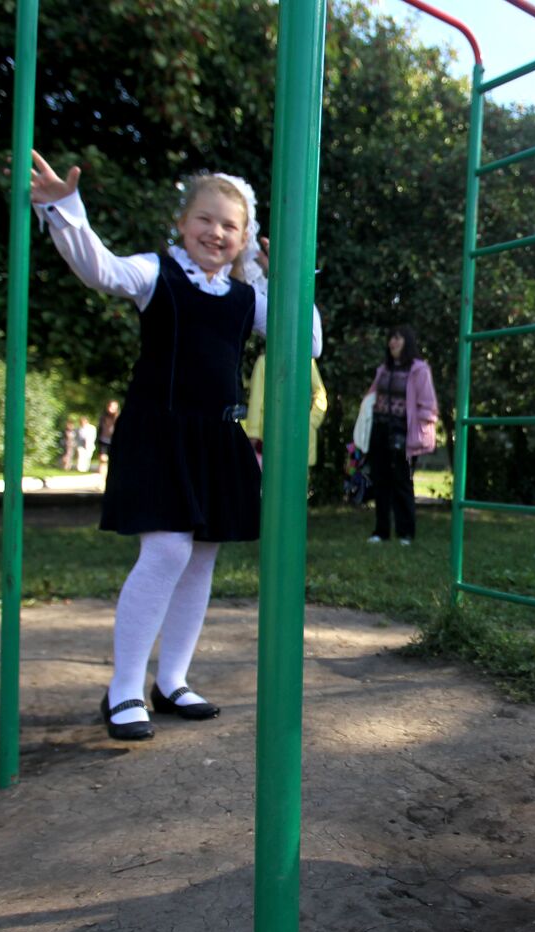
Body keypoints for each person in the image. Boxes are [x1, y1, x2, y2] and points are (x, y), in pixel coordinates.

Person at [30, 149, 322, 740]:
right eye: (205, 220)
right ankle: (123, 689)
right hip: (159, 432)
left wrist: (286, 274)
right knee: (166, 552)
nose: (216, 233)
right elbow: (100, 270)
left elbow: (309, 340)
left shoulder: (247, 299)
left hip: (215, 437)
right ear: (183, 223)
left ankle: (173, 681)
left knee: (200, 562)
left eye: (229, 226)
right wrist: (65, 207)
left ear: (245, 240)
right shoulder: (155, 272)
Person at [365, 327, 437, 545]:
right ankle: (381, 531)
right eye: (390, 339)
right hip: (380, 430)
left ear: (407, 342)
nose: (392, 343)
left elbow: (428, 404)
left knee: (402, 481)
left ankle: (406, 532)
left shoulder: (419, 370)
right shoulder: (383, 369)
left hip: (403, 433)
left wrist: (421, 430)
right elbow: (371, 397)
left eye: (397, 338)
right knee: (380, 481)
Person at [243, 351, 328, 472]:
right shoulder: (265, 362)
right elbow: (256, 399)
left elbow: (319, 393)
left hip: (299, 439)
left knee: (298, 484)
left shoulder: (307, 362)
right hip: (270, 439)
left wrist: (311, 421)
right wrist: (253, 432)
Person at [97, 399, 120, 474]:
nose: (111, 409)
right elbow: (100, 429)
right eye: (110, 406)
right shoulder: (103, 417)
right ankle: (102, 479)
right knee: (103, 459)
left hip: (114, 442)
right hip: (104, 440)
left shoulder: (118, 418)